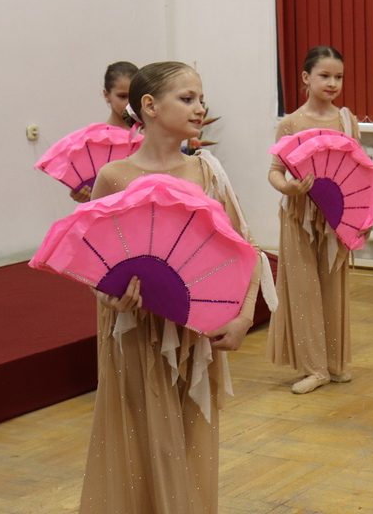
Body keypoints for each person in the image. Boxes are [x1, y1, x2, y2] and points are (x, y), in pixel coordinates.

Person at [80, 61, 270, 513]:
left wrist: (244, 317)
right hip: (134, 333)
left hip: (192, 332)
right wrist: (107, 296)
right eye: (187, 99)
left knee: (189, 443)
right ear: (149, 106)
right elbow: (92, 262)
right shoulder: (114, 177)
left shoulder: (207, 172)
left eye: (201, 99)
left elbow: (246, 250)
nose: (200, 108)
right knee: (141, 443)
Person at [266, 46, 362, 394]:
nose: (333, 83)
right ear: (306, 78)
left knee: (334, 287)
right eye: (325, 76)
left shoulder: (347, 121)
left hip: (336, 218)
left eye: (338, 77)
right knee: (303, 288)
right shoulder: (290, 123)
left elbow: (358, 172)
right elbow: (275, 171)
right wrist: (289, 188)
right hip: (299, 216)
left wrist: (361, 217)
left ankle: (333, 363)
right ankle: (313, 367)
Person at [70, 61, 139, 203]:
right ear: (107, 95)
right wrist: (83, 194)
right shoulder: (94, 141)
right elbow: (88, 185)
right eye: (122, 96)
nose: (129, 103)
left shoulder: (149, 134)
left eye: (134, 96)